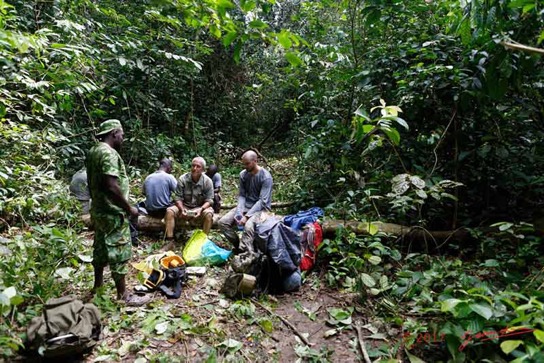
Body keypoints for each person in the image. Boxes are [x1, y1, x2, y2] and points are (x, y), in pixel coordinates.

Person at [86, 119, 142, 304]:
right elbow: (111, 186)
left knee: (100, 247)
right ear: (114, 133)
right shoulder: (108, 153)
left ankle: (97, 286)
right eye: (122, 135)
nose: (123, 138)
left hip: (99, 210)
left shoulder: (93, 151)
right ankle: (123, 295)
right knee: (119, 251)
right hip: (112, 212)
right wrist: (129, 208)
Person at [218, 150, 273, 254]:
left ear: (255, 161)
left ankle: (247, 252)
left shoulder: (266, 177)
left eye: (247, 163)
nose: (245, 166)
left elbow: (262, 201)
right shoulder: (243, 175)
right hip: (246, 205)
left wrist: (247, 216)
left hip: (261, 209)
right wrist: (239, 211)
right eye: (244, 164)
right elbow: (242, 195)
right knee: (222, 222)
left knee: (248, 227)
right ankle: (238, 246)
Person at [164, 157, 214, 244]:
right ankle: (170, 241)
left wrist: (201, 209)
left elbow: (209, 200)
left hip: (200, 207)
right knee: (169, 211)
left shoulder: (207, 181)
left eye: (198, 166)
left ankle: (203, 242)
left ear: (203, 169)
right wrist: (181, 208)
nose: (194, 168)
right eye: (193, 166)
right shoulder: (183, 179)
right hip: (184, 206)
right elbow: (178, 197)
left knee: (209, 214)